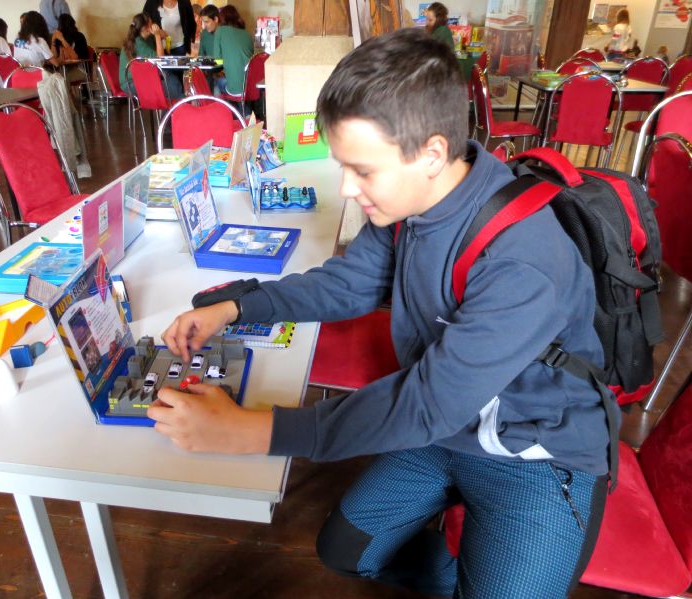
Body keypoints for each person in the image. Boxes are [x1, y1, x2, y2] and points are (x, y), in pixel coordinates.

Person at [151, 27, 612, 599]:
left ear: (432, 153)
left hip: (535, 454)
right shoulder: (413, 201)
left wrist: (248, 432)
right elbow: (349, 283)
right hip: (450, 429)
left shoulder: (523, 260)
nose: (347, 188)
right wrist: (238, 305)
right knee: (346, 551)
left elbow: (425, 403)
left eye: (363, 170)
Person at [119, 13, 183, 99]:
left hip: (143, 78)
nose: (153, 25)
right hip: (131, 83)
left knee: (170, 77)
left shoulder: (147, 38)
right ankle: (182, 102)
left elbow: (165, 35)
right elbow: (160, 58)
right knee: (170, 86)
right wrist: (157, 35)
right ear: (146, 28)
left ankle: (180, 101)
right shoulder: (138, 42)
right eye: (151, 23)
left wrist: (160, 34)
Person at [200, 4, 254, 95]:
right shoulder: (247, 34)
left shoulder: (220, 31)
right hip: (250, 87)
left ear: (219, 19)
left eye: (206, 22)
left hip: (234, 88)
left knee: (217, 81)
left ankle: (218, 103)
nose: (204, 26)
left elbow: (218, 61)